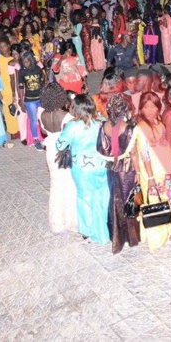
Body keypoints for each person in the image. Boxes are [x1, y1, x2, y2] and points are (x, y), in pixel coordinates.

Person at [56, 95, 110, 244]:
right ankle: (103, 227)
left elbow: (60, 145)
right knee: (102, 195)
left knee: (85, 198)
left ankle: (88, 231)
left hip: (82, 169)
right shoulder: (101, 122)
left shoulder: (73, 126)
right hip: (102, 165)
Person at [133, 91, 171, 251]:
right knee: (153, 203)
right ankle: (156, 238)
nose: (150, 110)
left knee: (165, 200)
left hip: (163, 169)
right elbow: (144, 154)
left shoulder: (158, 122)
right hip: (150, 171)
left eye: (153, 106)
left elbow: (166, 146)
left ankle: (167, 230)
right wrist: (150, 176)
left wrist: (170, 168)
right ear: (141, 109)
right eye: (146, 107)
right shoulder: (141, 128)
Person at [96, 94, 141, 254]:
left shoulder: (104, 126)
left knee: (115, 200)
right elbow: (134, 152)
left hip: (112, 168)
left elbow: (103, 147)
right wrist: (139, 172)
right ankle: (131, 236)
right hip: (127, 168)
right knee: (130, 202)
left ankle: (116, 234)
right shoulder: (129, 128)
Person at [38, 83, 77, 233]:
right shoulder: (66, 116)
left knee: (56, 183)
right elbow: (70, 135)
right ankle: (71, 221)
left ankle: (57, 222)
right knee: (69, 184)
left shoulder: (42, 114)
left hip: (50, 150)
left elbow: (43, 130)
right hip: (64, 150)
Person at [18, 52, 45, 150]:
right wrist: (21, 101)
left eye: (27, 62)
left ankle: (44, 136)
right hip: (29, 100)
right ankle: (36, 140)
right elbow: (21, 87)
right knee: (33, 120)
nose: (25, 64)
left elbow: (43, 81)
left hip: (40, 98)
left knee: (41, 118)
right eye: (23, 62)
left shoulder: (37, 69)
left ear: (31, 60)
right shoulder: (22, 72)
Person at [0, 36, 19, 139]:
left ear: (9, 46)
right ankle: (12, 130)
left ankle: (19, 129)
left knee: (18, 107)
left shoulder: (14, 58)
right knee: (8, 109)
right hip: (4, 87)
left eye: (5, 46)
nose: (3, 48)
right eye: (1, 47)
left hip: (15, 85)